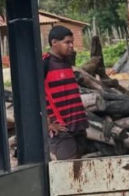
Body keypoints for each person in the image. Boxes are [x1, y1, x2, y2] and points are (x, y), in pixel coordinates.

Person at [43, 26, 89, 160]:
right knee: (68, 169)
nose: (71, 46)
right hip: (61, 129)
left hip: (78, 125)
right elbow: (34, 97)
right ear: (54, 43)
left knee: (78, 167)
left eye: (72, 42)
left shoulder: (66, 62)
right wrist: (48, 124)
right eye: (67, 42)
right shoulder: (45, 64)